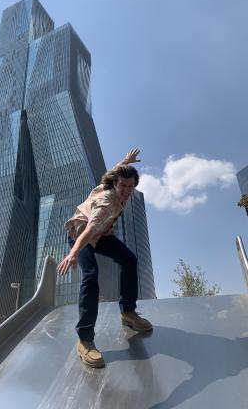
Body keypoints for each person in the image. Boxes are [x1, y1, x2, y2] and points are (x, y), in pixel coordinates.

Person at [57, 148, 152, 369]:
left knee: (129, 260)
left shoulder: (111, 181)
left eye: (131, 187)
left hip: (102, 236)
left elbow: (114, 171)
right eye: (123, 187)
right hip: (80, 234)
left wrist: (126, 161)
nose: (127, 191)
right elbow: (90, 229)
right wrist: (73, 253)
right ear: (115, 186)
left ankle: (128, 312)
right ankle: (85, 339)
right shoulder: (106, 201)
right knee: (91, 275)